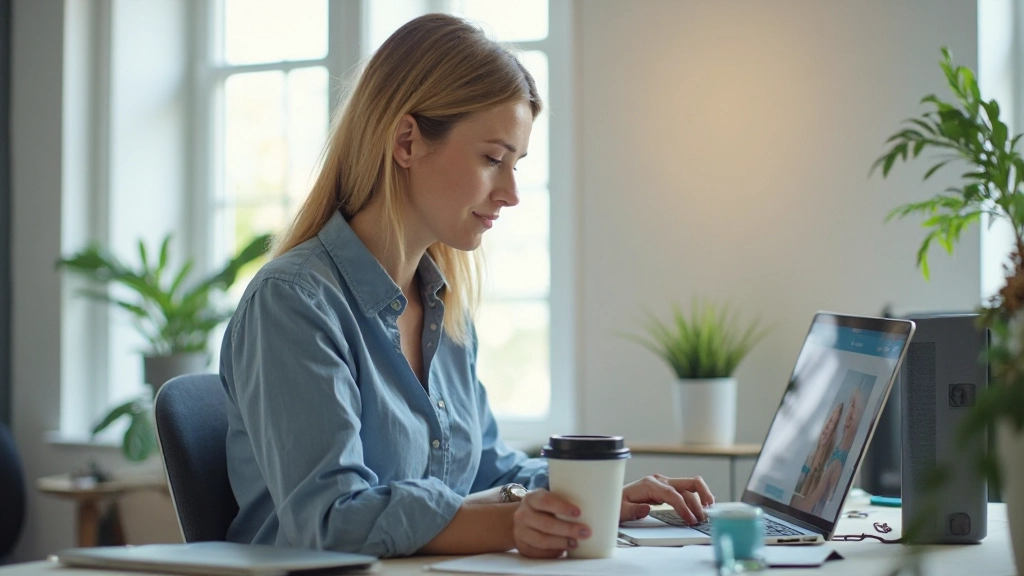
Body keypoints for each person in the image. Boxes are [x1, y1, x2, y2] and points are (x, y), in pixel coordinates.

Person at [219, 13, 715, 560]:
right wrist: (510, 524)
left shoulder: (444, 312)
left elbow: (487, 468)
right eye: (492, 159)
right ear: (407, 141)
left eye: (517, 165)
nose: (511, 193)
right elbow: (333, 520)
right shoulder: (294, 303)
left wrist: (595, 498)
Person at [790, 388, 866, 515]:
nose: (828, 428)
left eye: (834, 425)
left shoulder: (835, 464)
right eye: (830, 420)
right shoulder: (809, 457)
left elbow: (810, 507)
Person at [792, 403, 843, 497]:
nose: (828, 426)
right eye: (830, 419)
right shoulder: (805, 456)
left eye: (834, 424)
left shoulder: (827, 472)